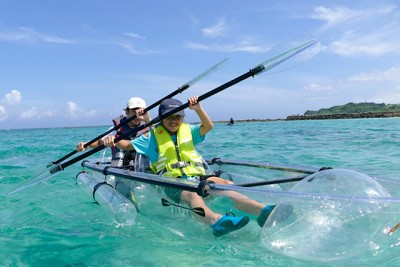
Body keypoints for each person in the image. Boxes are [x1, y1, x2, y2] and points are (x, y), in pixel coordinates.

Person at [102, 97, 289, 237]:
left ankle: (263, 212)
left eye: (177, 116)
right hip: (171, 183)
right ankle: (216, 222)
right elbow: (126, 145)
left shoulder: (189, 130)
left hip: (197, 177)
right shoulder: (152, 137)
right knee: (193, 194)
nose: (173, 120)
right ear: (161, 119)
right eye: (168, 117)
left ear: (183, 117)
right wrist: (114, 140)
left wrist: (198, 108)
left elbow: (208, 126)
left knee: (224, 184)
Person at [76, 97, 152, 169]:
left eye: (140, 112)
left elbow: (160, 133)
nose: (136, 115)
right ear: (127, 112)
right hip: (121, 171)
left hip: (142, 171)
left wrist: (148, 119)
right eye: (133, 111)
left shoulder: (150, 129)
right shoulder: (116, 130)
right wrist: (87, 145)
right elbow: (99, 142)